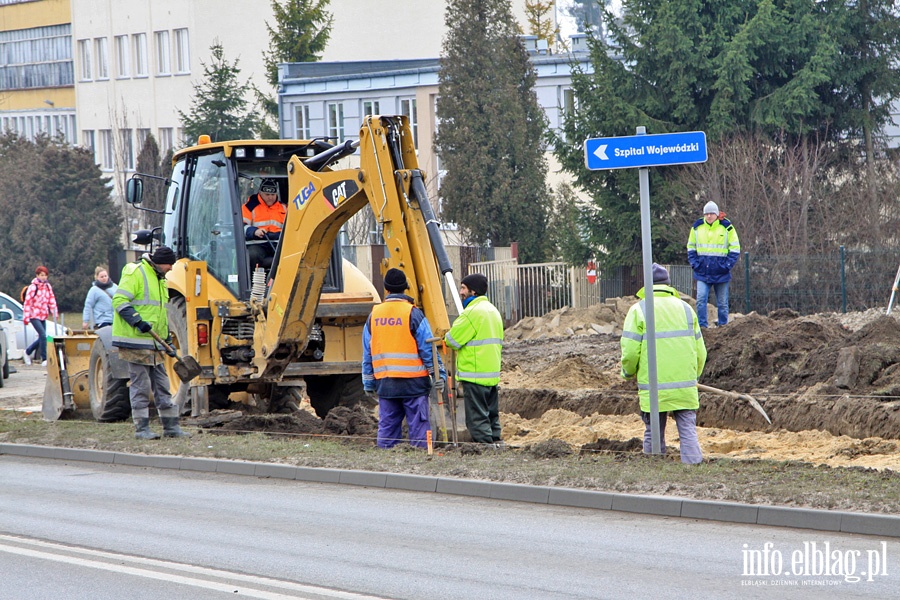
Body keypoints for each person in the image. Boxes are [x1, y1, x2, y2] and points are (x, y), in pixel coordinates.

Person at [620, 263, 707, 464]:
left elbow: (631, 352)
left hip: (653, 387)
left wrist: (627, 372)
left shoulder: (638, 310)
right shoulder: (686, 309)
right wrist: (693, 377)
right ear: (669, 284)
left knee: (653, 431)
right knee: (687, 429)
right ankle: (693, 469)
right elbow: (700, 352)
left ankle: (654, 470)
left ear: (647, 285)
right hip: (684, 385)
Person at [112, 246, 190, 440]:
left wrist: (167, 340)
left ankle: (171, 427)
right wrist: (137, 321)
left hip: (155, 343)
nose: (171, 268)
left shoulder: (161, 279)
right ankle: (141, 428)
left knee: (163, 385)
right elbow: (119, 301)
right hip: (135, 341)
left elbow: (160, 314)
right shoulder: (135, 272)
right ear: (159, 262)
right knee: (141, 386)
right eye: (169, 264)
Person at [362, 268, 445, 449]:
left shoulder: (374, 316)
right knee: (419, 426)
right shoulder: (413, 314)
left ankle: (388, 465)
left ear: (386, 289)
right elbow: (428, 349)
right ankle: (421, 462)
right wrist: (439, 375)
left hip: (386, 384)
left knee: (388, 427)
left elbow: (368, 352)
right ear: (406, 288)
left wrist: (368, 382)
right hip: (414, 385)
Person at [444, 273, 504, 446]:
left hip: (474, 374)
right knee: (492, 415)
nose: (461, 292)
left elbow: (452, 340)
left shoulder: (471, 313)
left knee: (477, 419)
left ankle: (484, 449)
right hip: (491, 374)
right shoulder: (493, 311)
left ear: (474, 291)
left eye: (463, 288)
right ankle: (496, 444)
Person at [687, 201, 741, 328]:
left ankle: (723, 327)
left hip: (721, 272)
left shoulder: (727, 227)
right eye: (706, 214)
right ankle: (702, 328)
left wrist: (726, 266)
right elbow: (691, 248)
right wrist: (695, 264)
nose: (709, 216)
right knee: (700, 300)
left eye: (711, 213)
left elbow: (735, 249)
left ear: (717, 214)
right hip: (702, 272)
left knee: (722, 303)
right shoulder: (696, 228)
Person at [242, 178, 286, 270]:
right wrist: (254, 231)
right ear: (260, 194)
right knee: (253, 255)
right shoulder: (249, 207)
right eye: (267, 194)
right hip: (258, 243)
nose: (270, 197)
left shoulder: (284, 208)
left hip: (278, 244)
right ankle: (253, 281)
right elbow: (241, 226)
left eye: (273, 194)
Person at [22, 265, 58, 367]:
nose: (44, 277)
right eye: (42, 275)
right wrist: (26, 317)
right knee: (42, 335)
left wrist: (54, 312)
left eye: (45, 275)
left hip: (43, 314)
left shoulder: (47, 286)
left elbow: (51, 299)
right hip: (34, 315)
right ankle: (44, 358)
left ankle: (27, 352)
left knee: (43, 337)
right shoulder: (33, 287)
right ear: (37, 275)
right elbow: (28, 302)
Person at [82, 266, 117, 330]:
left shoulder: (114, 287)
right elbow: (88, 306)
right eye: (102, 277)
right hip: (102, 320)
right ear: (97, 277)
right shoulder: (94, 290)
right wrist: (85, 321)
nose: (104, 278)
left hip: (115, 319)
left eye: (105, 276)